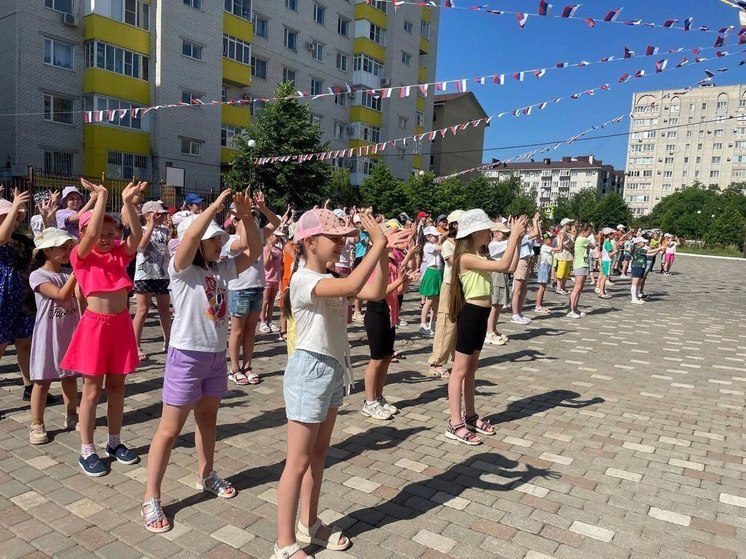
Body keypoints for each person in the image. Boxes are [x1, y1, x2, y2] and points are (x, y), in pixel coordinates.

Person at [273, 209, 405, 559]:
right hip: (309, 371)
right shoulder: (302, 279)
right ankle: (284, 543)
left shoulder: (327, 274)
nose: (342, 244)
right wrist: (377, 244)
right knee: (297, 461)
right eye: (335, 238)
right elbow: (351, 286)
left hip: (330, 370)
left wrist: (383, 253)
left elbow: (374, 290)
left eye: (344, 237)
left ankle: (310, 524)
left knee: (318, 455)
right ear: (310, 242)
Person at [141, 189, 261, 533]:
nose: (219, 244)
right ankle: (151, 497)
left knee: (208, 421)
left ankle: (206, 474)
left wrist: (246, 216)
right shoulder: (180, 269)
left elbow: (253, 251)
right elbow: (191, 234)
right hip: (186, 357)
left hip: (214, 357)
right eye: (213, 240)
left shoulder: (221, 270)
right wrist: (213, 207)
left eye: (220, 239)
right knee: (169, 429)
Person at [60, 178, 147, 477]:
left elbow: (137, 236)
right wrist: (102, 197)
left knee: (118, 388)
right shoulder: (80, 257)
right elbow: (94, 231)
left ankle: (114, 441)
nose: (107, 237)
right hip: (95, 329)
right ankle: (87, 448)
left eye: (112, 233)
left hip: (120, 326)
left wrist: (126, 205)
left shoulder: (118, 254)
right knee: (92, 391)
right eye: (101, 233)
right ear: (83, 234)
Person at [446, 210, 526, 445]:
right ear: (473, 233)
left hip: (481, 314)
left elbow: (510, 267)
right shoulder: (465, 257)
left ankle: (470, 416)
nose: (490, 232)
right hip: (470, 313)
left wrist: (518, 240)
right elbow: (502, 265)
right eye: (486, 229)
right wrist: (513, 238)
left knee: (471, 369)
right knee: (459, 371)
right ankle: (454, 421)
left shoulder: (478, 253)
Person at [28, 228, 80, 444]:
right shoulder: (38, 275)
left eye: (70, 248)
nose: (68, 252)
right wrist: (78, 272)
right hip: (48, 334)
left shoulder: (68, 273)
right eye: (63, 247)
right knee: (42, 380)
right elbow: (60, 295)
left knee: (69, 376)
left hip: (69, 331)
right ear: (47, 251)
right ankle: (37, 423)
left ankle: (72, 413)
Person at [224, 191, 281, 386]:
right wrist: (242, 214)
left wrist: (263, 208)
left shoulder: (258, 234)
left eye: (254, 218)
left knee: (251, 331)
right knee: (237, 331)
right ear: (235, 222)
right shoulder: (229, 240)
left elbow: (276, 223)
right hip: (239, 288)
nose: (252, 221)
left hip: (257, 286)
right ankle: (234, 368)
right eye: (245, 218)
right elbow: (243, 244)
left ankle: (247, 366)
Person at [361, 239, 417, 420]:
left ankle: (378, 396)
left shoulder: (393, 263)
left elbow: (399, 291)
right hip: (376, 313)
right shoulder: (376, 264)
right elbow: (379, 291)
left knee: (386, 358)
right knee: (376, 359)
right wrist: (400, 279)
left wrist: (405, 280)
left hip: (390, 314)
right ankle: (369, 402)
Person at [0, 190, 37, 402]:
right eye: (7, 216)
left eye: (16, 217)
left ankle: (29, 387)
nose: (14, 220)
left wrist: (47, 217)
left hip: (23, 298)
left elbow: (42, 245)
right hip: (2, 300)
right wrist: (14, 206)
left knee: (25, 343)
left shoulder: (21, 239)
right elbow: (2, 237)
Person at [132, 200, 172, 360]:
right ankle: (135, 345)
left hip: (162, 274)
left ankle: (168, 341)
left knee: (164, 310)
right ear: (148, 215)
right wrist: (150, 226)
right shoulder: (140, 229)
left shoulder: (165, 230)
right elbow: (141, 246)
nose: (161, 217)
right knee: (142, 310)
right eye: (158, 214)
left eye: (162, 215)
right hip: (145, 274)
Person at [426, 210, 461, 377]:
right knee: (446, 323)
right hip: (450, 285)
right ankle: (436, 362)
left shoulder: (468, 243)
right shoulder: (448, 243)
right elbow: (455, 263)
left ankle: (458, 358)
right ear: (455, 224)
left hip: (465, 287)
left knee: (460, 325)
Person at [485, 221, 516, 345]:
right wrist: (516, 232)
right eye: (503, 233)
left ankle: (493, 328)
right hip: (496, 273)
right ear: (495, 233)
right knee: (495, 303)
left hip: (502, 273)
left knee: (499, 304)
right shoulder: (493, 245)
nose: (505, 235)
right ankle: (489, 331)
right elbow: (510, 243)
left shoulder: (499, 243)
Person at [511, 212, 541, 325]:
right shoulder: (520, 237)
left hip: (526, 261)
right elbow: (536, 233)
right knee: (517, 290)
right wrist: (535, 221)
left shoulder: (524, 237)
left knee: (523, 290)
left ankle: (519, 312)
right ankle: (515, 314)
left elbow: (537, 234)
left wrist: (535, 222)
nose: (526, 227)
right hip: (520, 262)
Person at [418, 226, 443, 335]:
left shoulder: (433, 245)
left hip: (438, 272)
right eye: (434, 236)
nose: (437, 237)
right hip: (431, 272)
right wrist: (442, 238)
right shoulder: (428, 246)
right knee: (429, 301)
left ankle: (433, 323)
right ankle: (423, 324)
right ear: (428, 237)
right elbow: (440, 248)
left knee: (436, 301)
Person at [567, 224, 594, 319]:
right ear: (585, 231)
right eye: (589, 232)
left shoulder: (582, 239)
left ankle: (575, 307)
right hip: (580, 265)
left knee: (580, 287)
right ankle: (571, 310)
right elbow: (593, 246)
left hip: (584, 264)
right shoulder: (582, 239)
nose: (590, 234)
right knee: (577, 287)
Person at [260, 230, 284, 333]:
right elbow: (264, 265)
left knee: (271, 302)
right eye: (276, 236)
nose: (277, 238)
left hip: (276, 279)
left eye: (279, 237)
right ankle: (262, 321)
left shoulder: (279, 250)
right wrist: (269, 254)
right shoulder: (265, 249)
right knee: (265, 301)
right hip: (266, 279)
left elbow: (281, 265)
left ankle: (269, 320)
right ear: (270, 236)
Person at [629, 236, 665, 304]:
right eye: (643, 242)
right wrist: (660, 248)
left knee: (639, 283)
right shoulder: (639, 249)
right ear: (638, 243)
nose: (645, 243)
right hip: (637, 267)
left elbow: (651, 254)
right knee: (635, 283)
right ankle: (633, 298)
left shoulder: (640, 250)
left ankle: (637, 297)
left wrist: (658, 250)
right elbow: (650, 251)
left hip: (641, 267)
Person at [351, 213, 370, 323]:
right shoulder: (359, 233)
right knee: (359, 286)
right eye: (359, 223)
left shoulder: (366, 233)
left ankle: (360, 310)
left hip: (365, 258)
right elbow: (365, 242)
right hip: (359, 258)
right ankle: (357, 311)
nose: (361, 224)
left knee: (364, 285)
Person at [534, 233, 554, 313]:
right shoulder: (545, 247)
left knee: (543, 287)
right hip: (544, 267)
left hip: (547, 266)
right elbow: (558, 249)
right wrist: (562, 239)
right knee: (541, 287)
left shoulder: (547, 246)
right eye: (548, 238)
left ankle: (540, 305)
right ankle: (538, 306)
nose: (550, 239)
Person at [554, 218, 574, 294]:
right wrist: (569, 241)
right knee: (560, 272)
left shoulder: (567, 233)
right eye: (569, 224)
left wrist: (571, 239)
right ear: (565, 225)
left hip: (568, 255)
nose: (570, 226)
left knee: (566, 273)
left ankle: (563, 287)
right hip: (562, 255)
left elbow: (570, 245)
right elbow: (561, 245)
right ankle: (558, 288)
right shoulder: (561, 233)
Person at [596, 227, 616, 299]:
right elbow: (610, 254)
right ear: (609, 235)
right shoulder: (607, 243)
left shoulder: (606, 242)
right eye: (612, 234)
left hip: (605, 261)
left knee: (604, 277)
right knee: (604, 278)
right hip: (607, 261)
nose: (613, 235)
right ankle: (601, 293)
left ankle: (603, 292)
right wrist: (617, 250)